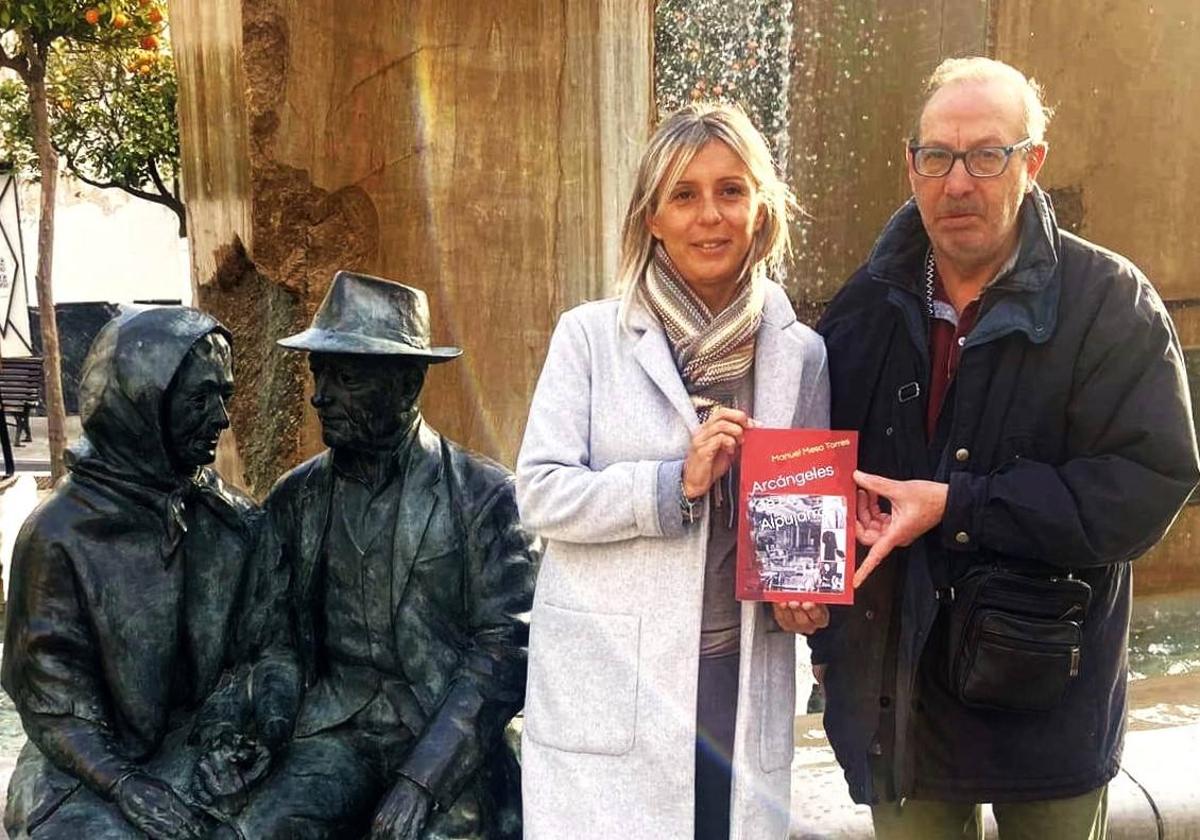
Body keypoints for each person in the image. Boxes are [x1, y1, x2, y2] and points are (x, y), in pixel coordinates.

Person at [813, 56, 1200, 839]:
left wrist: (960, 508)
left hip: (1049, 707)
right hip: (903, 709)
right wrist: (810, 612)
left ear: (1033, 163)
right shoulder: (862, 310)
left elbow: (1149, 485)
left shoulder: (1111, 304)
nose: (958, 183)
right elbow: (818, 481)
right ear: (911, 164)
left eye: (987, 155)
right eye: (938, 157)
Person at [517, 102, 830, 840]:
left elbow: (804, 524)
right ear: (652, 217)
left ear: (760, 209)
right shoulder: (590, 337)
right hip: (612, 676)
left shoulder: (799, 354)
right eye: (683, 195)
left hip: (736, 668)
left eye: (730, 190)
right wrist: (669, 488)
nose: (709, 216)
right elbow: (539, 492)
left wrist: (805, 602)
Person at [223, 270, 539, 839]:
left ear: (407, 384)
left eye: (346, 377)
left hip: (442, 737)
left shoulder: (485, 496)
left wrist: (422, 781)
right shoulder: (296, 497)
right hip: (333, 728)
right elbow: (271, 640)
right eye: (319, 373)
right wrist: (269, 728)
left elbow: (505, 652)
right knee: (256, 829)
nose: (321, 395)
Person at [2, 307, 259, 839]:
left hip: (202, 750)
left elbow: (262, 650)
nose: (221, 418)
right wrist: (126, 785)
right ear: (141, 405)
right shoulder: (57, 536)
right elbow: (54, 706)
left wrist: (235, 727)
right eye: (199, 399)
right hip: (85, 767)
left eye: (224, 396)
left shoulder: (228, 516)